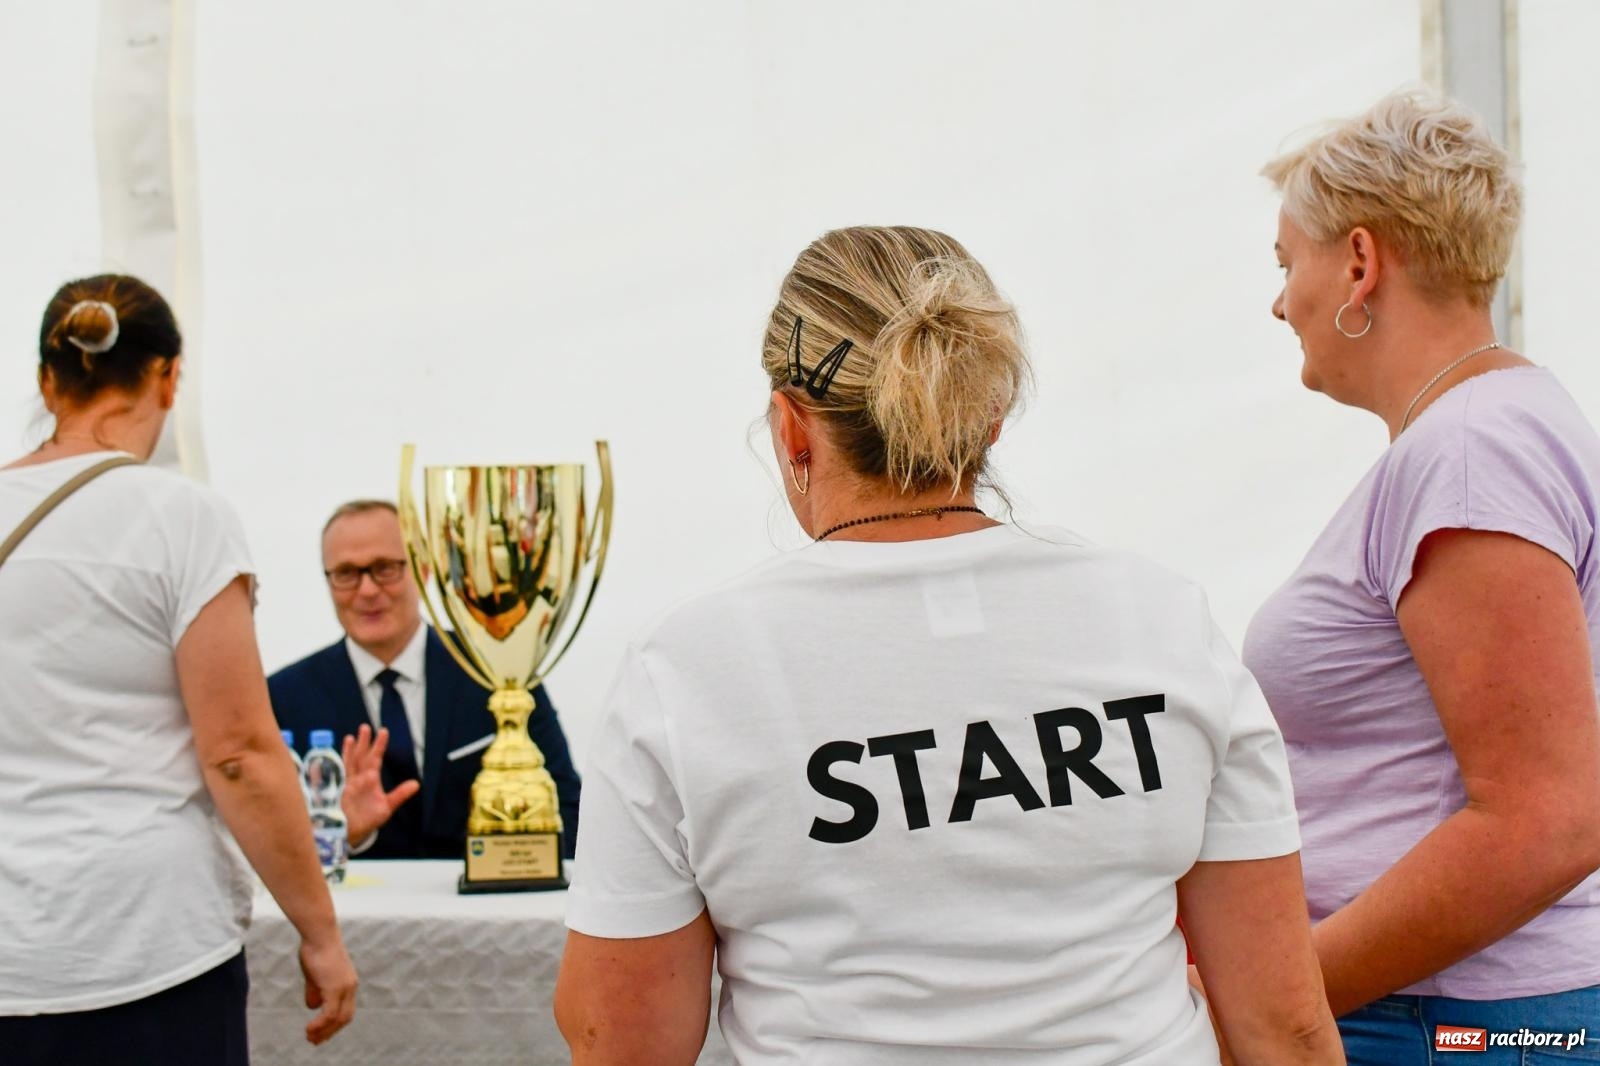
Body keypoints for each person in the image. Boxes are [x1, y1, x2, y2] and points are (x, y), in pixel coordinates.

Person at [554, 226, 1342, 1064]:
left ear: (790, 429)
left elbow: (622, 1040)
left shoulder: (687, 670)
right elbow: (1283, 1029)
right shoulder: (1160, 619)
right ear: (991, 416)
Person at [1244, 90, 1600, 1062]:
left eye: (1287, 264)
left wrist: (1279, 990)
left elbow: (1545, 819)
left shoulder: (1473, 451)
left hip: (1450, 1022)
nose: (1280, 302)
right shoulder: (1476, 434)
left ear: (1359, 263)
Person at [0, 275, 357, 1064]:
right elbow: (237, 753)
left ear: (45, 380)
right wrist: (319, 931)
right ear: (168, 376)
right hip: (144, 945)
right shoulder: (182, 518)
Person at [270, 500, 582, 860]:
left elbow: (569, 812)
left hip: (490, 908)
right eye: (346, 573)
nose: (367, 590)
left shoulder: (499, 672)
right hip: (356, 914)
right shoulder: (283, 699)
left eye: (385, 568)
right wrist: (343, 834)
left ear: (424, 569)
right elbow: (264, 845)